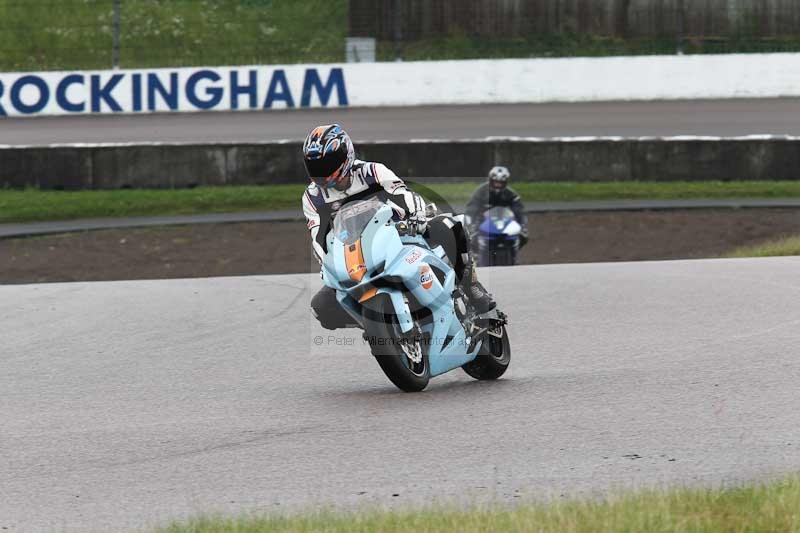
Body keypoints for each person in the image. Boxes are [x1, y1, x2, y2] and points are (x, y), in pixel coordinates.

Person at [301, 124, 496, 330]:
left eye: (326, 164)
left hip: (396, 236)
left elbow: (404, 195)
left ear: (346, 156)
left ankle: (472, 287)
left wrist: (417, 215)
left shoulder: (372, 172)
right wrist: (329, 264)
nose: (321, 172)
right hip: (354, 259)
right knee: (321, 307)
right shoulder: (312, 197)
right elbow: (319, 239)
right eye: (315, 167)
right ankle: (376, 326)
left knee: (448, 225)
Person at [465, 165, 529, 249]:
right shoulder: (480, 192)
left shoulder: (511, 194)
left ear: (505, 182)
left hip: (505, 222)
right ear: (491, 180)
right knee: (471, 238)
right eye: (496, 182)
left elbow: (519, 210)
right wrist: (470, 224)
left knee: (523, 237)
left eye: (501, 183)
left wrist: (522, 225)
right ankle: (476, 254)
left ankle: (513, 252)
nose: (498, 185)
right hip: (482, 223)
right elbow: (471, 208)